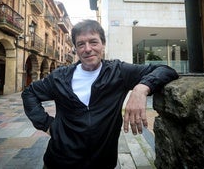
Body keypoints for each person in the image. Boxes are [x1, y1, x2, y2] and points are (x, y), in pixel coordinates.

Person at [21, 19, 179, 169]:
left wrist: (141, 88)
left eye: (93, 42)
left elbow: (166, 70)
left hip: (103, 163)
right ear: (75, 49)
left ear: (103, 44)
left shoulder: (118, 71)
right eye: (81, 44)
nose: (87, 48)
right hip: (59, 161)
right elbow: (29, 93)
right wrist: (47, 124)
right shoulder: (59, 77)